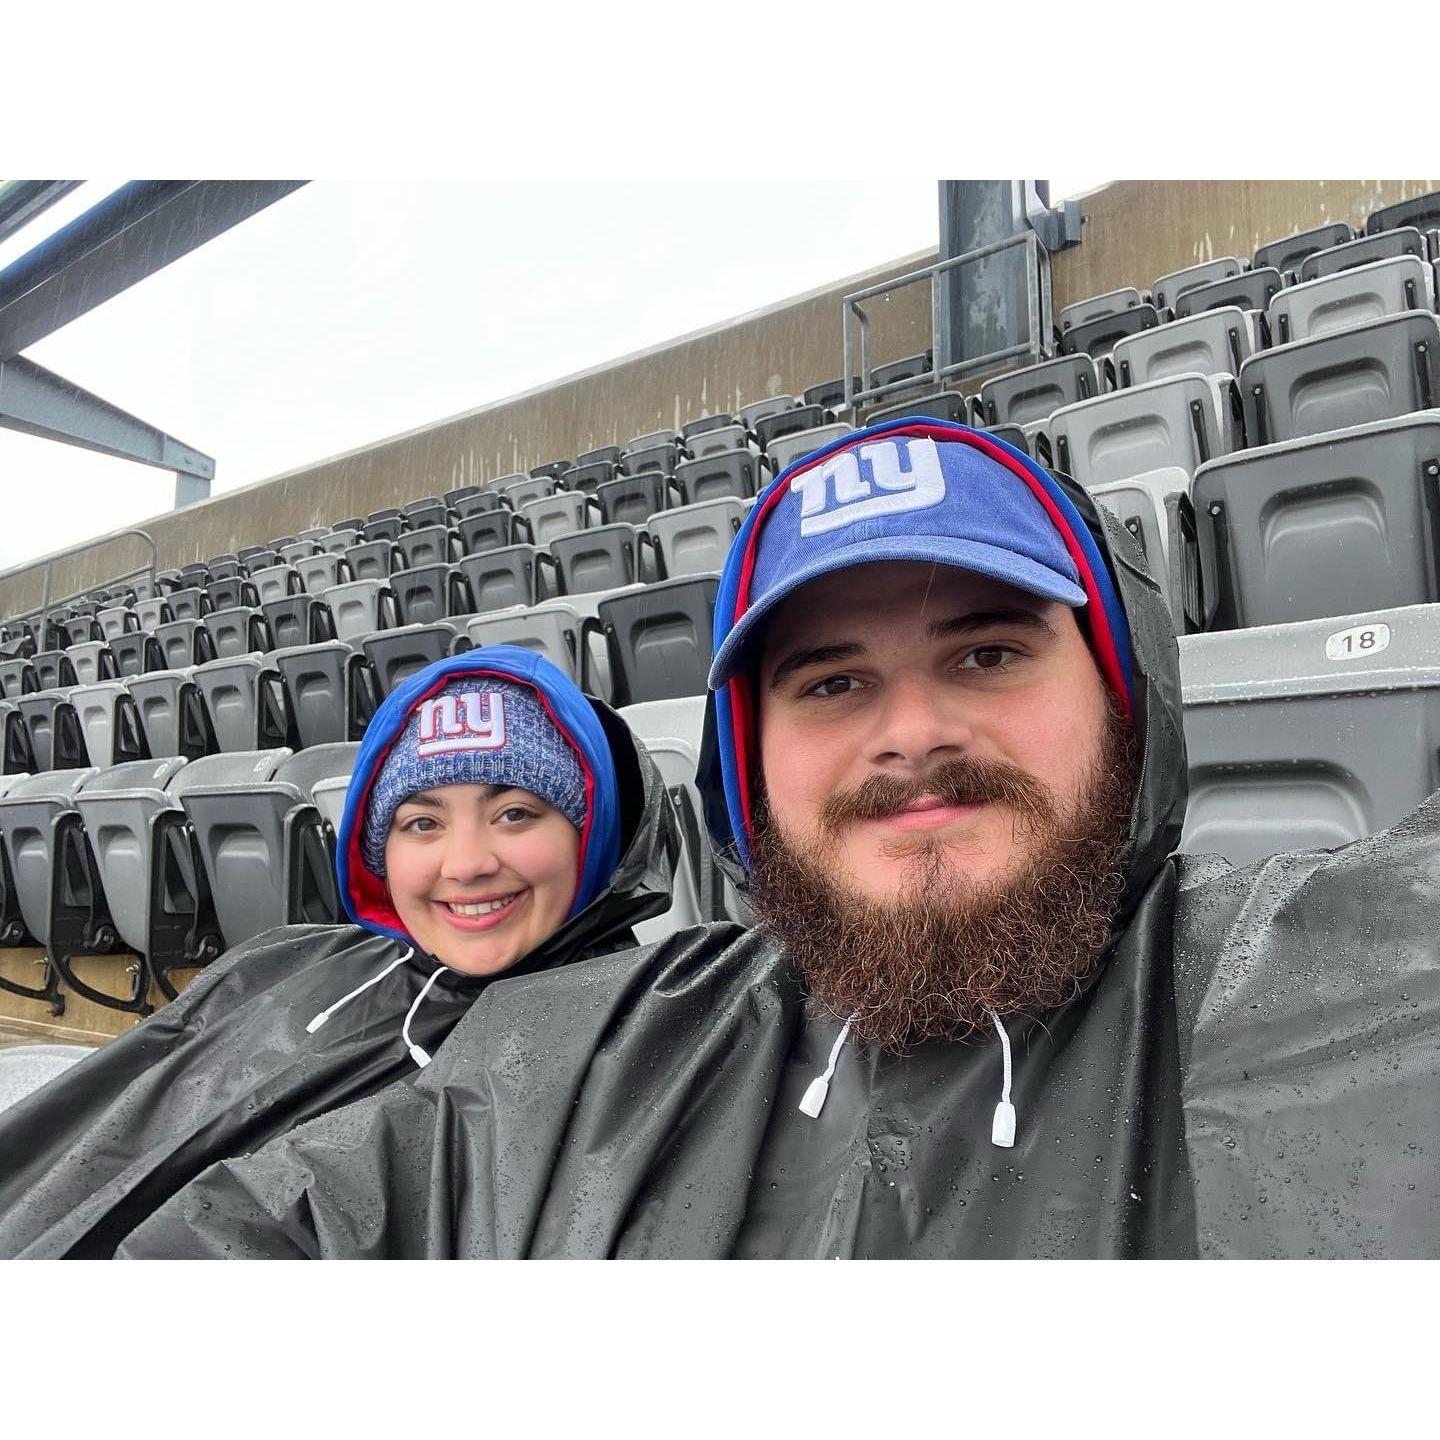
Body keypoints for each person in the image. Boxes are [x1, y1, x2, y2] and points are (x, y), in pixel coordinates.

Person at [119, 419, 1440, 1258]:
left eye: (987, 651)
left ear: (1122, 698)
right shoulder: (598, 1041)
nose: (912, 733)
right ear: (750, 768)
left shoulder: (1336, 982)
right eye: (830, 682)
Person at [0, 644, 679, 1258]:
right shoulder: (287, 963)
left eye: (515, 814)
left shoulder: (658, 1046)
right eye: (422, 823)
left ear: (592, 833)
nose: (466, 864)